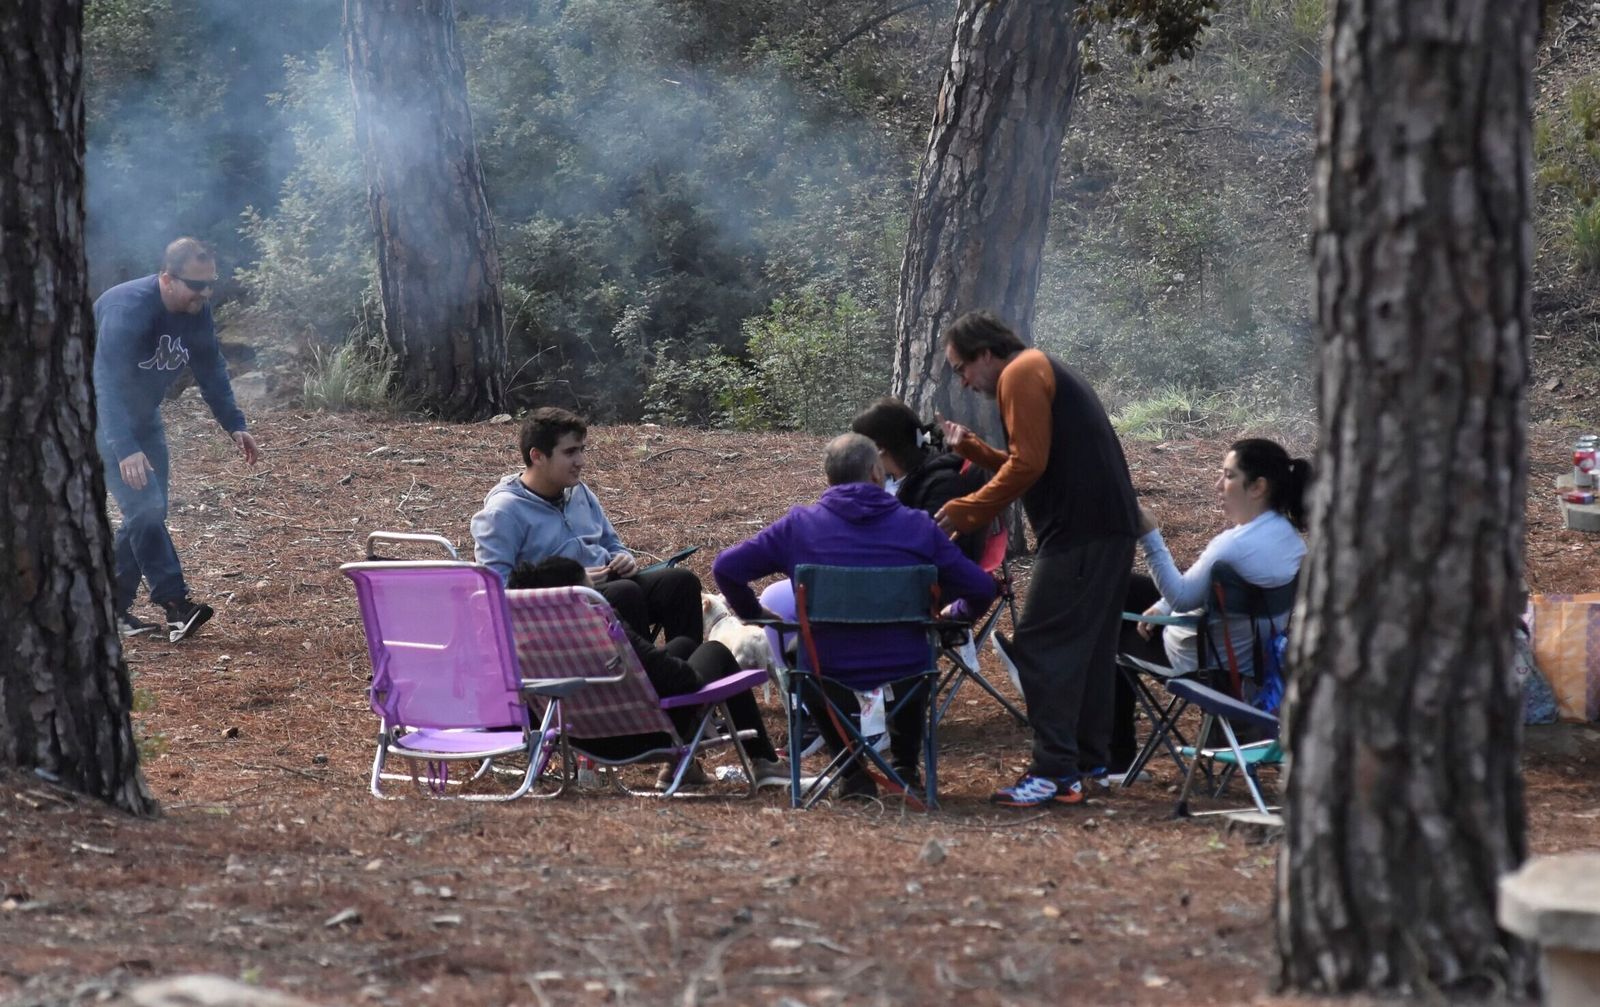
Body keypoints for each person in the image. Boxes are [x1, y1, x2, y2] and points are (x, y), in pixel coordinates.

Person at [712, 433, 996, 799]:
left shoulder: (798, 526)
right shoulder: (918, 527)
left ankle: (852, 772)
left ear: (829, 478)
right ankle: (906, 767)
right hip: (906, 665)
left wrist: (755, 614)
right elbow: (982, 588)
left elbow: (725, 568)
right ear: (877, 473)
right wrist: (956, 615)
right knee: (919, 648)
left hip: (828, 667)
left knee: (801, 653)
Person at [934, 311, 1138, 807]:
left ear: (986, 353)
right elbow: (1038, 462)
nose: (963, 380)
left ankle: (1055, 773)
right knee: (1088, 649)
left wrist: (968, 509)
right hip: (1107, 528)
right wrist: (979, 451)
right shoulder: (1039, 368)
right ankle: (1091, 762)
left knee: (1041, 644)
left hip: (1080, 533)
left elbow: (1029, 465)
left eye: (962, 367)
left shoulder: (1021, 372)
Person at [94, 237, 261, 642]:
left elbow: (210, 367)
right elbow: (103, 384)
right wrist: (125, 448)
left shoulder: (195, 310)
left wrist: (234, 423)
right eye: (196, 285)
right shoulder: (127, 309)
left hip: (144, 417)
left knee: (147, 513)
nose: (205, 294)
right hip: (99, 416)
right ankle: (175, 606)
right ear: (167, 279)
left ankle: (108, 612)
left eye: (211, 285)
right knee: (145, 510)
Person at [1111, 439, 1311, 770]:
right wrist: (1162, 607)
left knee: (1108, 626)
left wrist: (1150, 535)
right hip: (1250, 662)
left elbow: (1183, 597)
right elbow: (1194, 592)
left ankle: (1115, 757)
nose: (1218, 485)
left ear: (1258, 487)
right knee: (1131, 588)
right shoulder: (1290, 540)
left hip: (1201, 664)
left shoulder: (1232, 546)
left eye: (1228, 476)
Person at [507, 557, 787, 790]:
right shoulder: (601, 625)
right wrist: (679, 665)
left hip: (580, 737)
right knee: (715, 651)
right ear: (580, 595)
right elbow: (681, 679)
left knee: (683, 645)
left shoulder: (528, 643)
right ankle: (764, 762)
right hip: (646, 733)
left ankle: (684, 769)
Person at [471, 406, 702, 645]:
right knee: (624, 593)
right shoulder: (504, 512)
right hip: (556, 610)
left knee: (680, 583)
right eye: (570, 452)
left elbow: (610, 542)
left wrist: (622, 557)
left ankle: (691, 670)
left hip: (608, 588)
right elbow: (496, 592)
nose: (581, 461)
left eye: (582, 450)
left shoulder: (578, 492)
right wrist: (571, 583)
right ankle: (645, 678)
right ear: (537, 456)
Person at [850, 397, 989, 562]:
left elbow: (931, 549)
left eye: (860, 446)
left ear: (879, 449)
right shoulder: (883, 479)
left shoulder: (943, 484)